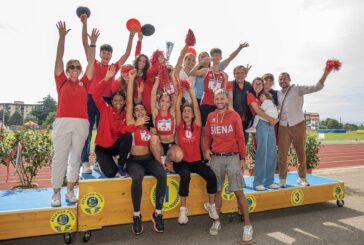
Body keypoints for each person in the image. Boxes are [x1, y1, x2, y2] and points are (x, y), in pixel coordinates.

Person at [80, 15, 136, 173]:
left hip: (107, 102)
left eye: (108, 54)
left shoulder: (113, 67)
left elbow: (126, 54)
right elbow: (85, 45)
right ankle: (84, 161)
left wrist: (130, 37)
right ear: (100, 54)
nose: (106, 56)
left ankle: (102, 159)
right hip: (92, 98)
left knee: (106, 130)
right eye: (103, 53)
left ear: (111, 55)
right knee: (88, 129)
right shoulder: (94, 63)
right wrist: (85, 24)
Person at [51, 21, 98, 207]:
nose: (75, 70)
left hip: (81, 123)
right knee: (59, 157)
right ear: (67, 69)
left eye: (78, 67)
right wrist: (62, 37)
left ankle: (70, 190)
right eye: (72, 67)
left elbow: (92, 62)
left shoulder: (85, 83)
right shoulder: (61, 80)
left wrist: (93, 43)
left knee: (75, 158)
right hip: (62, 122)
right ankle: (56, 193)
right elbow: (58, 57)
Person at [204, 89, 253, 241]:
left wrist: (243, 158)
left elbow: (240, 138)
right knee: (217, 192)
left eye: (222, 98)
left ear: (226, 100)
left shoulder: (234, 116)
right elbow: (207, 136)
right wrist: (206, 149)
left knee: (239, 192)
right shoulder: (211, 116)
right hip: (216, 158)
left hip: (232, 157)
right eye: (217, 98)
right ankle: (216, 222)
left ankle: (247, 226)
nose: (219, 101)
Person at [125, 69, 167, 234]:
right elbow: (130, 101)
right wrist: (131, 80)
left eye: (143, 110)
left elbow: (156, 146)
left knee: (162, 175)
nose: (140, 111)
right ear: (134, 113)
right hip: (134, 160)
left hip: (148, 159)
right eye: (137, 110)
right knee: (137, 176)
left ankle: (158, 213)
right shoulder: (131, 122)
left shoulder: (150, 126)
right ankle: (136, 214)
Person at [278, 68, 333, 187]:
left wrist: (325, 73)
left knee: (301, 152)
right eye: (280, 79)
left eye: (284, 78)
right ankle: (282, 179)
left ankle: (302, 177)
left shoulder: (297, 88)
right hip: (283, 126)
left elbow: (316, 87)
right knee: (282, 154)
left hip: (298, 124)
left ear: (289, 80)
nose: (282, 81)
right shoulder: (277, 94)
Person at [174, 82, 219, 227]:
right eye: (184, 111)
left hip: (196, 161)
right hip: (182, 162)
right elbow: (176, 108)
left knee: (211, 176)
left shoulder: (197, 125)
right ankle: (183, 209)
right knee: (185, 176)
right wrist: (181, 92)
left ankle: (210, 205)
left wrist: (192, 92)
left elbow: (196, 108)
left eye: (189, 111)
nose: (186, 113)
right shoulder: (179, 125)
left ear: (193, 114)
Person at [92, 65, 148, 177]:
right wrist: (106, 78)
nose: (118, 102)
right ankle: (101, 161)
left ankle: (121, 165)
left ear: (124, 102)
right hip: (102, 148)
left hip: (114, 147)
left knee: (127, 136)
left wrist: (131, 79)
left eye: (121, 100)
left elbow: (123, 130)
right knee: (111, 173)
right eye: (115, 100)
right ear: (111, 101)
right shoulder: (105, 108)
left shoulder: (124, 115)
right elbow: (95, 94)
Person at [190, 43, 249, 127]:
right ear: (211, 58)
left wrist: (239, 48)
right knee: (205, 129)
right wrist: (200, 63)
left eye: (218, 55)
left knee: (216, 129)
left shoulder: (224, 75)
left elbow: (230, 58)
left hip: (218, 104)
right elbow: (192, 73)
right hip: (206, 103)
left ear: (220, 57)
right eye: (213, 55)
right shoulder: (206, 70)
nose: (216, 57)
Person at [247, 78, 279, 191]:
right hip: (261, 124)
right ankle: (258, 182)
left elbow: (274, 108)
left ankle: (269, 181)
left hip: (270, 125)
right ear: (252, 84)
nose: (258, 85)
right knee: (262, 153)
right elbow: (257, 110)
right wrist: (271, 119)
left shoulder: (265, 97)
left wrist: (276, 119)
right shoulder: (251, 95)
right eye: (256, 83)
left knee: (272, 153)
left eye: (260, 84)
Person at [149, 76, 184, 170]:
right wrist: (157, 80)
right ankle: (161, 164)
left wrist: (172, 76)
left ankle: (168, 161)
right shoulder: (156, 113)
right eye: (162, 101)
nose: (165, 103)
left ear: (170, 103)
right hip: (159, 145)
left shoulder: (172, 112)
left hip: (170, 145)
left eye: (167, 101)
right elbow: (152, 94)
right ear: (159, 102)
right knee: (153, 138)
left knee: (179, 156)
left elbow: (175, 94)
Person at [228, 65, 252, 144]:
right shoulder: (230, 84)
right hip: (233, 119)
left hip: (246, 120)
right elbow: (228, 102)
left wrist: (251, 119)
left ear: (245, 74)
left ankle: (242, 157)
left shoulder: (249, 85)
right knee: (233, 142)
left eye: (242, 73)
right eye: (237, 73)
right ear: (234, 74)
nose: (240, 75)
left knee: (244, 142)